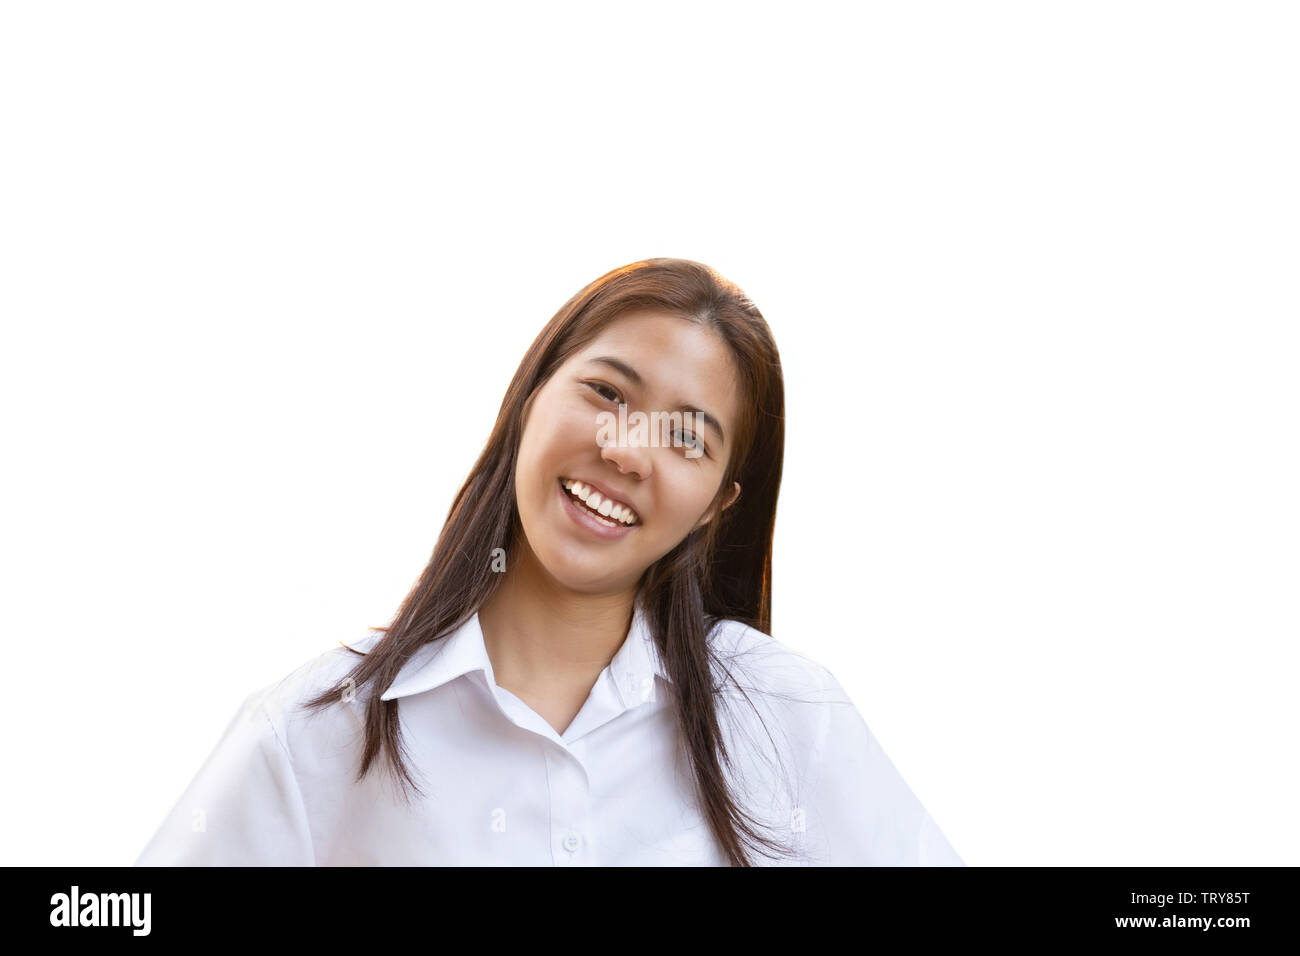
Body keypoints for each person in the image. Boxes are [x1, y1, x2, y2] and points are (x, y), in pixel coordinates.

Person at [134, 257, 963, 866]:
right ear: (533, 397)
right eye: (607, 393)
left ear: (716, 505)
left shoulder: (783, 714)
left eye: (686, 436)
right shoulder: (315, 733)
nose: (628, 450)